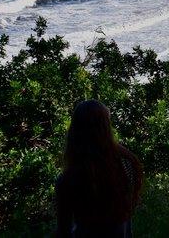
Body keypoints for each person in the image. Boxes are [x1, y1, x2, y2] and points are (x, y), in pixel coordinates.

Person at [55, 99, 144, 238]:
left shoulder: (68, 180)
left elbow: (63, 231)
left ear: (75, 131)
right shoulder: (125, 165)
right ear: (106, 127)